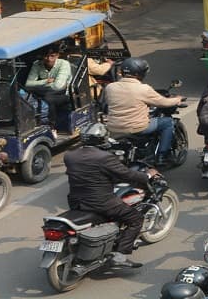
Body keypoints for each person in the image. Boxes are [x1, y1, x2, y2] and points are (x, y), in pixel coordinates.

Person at [64, 123, 158, 269]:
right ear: (102, 139)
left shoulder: (70, 155)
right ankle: (120, 255)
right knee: (136, 219)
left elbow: (89, 174)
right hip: (102, 202)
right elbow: (127, 174)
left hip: (76, 201)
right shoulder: (104, 158)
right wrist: (146, 175)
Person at [103, 57, 183, 166]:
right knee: (167, 122)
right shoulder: (144, 89)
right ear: (140, 73)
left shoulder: (110, 87)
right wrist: (177, 100)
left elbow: (110, 102)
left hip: (114, 127)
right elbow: (163, 102)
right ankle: (161, 156)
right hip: (137, 128)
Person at [24, 47, 73, 121]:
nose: (49, 59)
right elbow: (28, 84)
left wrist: (37, 86)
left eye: (52, 56)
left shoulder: (64, 64)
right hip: (44, 92)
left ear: (57, 56)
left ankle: (52, 124)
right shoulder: (37, 64)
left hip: (65, 94)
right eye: (46, 56)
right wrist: (46, 81)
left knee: (48, 99)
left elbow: (58, 86)